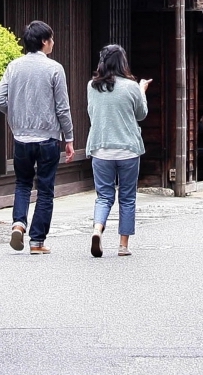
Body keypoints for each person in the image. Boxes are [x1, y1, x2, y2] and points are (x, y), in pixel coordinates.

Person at [0, 20, 73, 254]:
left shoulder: (14, 66)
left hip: (21, 138)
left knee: (23, 184)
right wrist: (69, 137)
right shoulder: (54, 68)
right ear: (44, 42)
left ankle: (18, 223)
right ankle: (37, 242)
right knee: (46, 189)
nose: (53, 43)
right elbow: (63, 108)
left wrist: (15, 114)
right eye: (51, 39)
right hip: (48, 138)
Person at [84, 43, 149, 258]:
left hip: (101, 148)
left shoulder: (92, 86)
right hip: (128, 149)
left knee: (103, 196)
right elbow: (141, 114)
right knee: (127, 197)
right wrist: (141, 90)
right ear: (123, 62)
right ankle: (123, 245)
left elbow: (92, 113)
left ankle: (97, 229)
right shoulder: (131, 87)